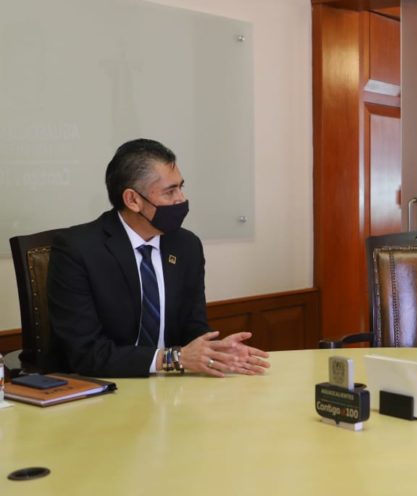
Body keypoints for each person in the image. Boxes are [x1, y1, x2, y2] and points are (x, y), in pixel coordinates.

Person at [47, 139, 270, 377]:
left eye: (181, 187)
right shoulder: (77, 250)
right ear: (133, 200)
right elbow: (86, 353)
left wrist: (216, 352)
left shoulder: (186, 245)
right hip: (100, 387)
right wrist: (171, 359)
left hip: (171, 386)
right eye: (169, 191)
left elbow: (193, 326)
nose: (181, 199)